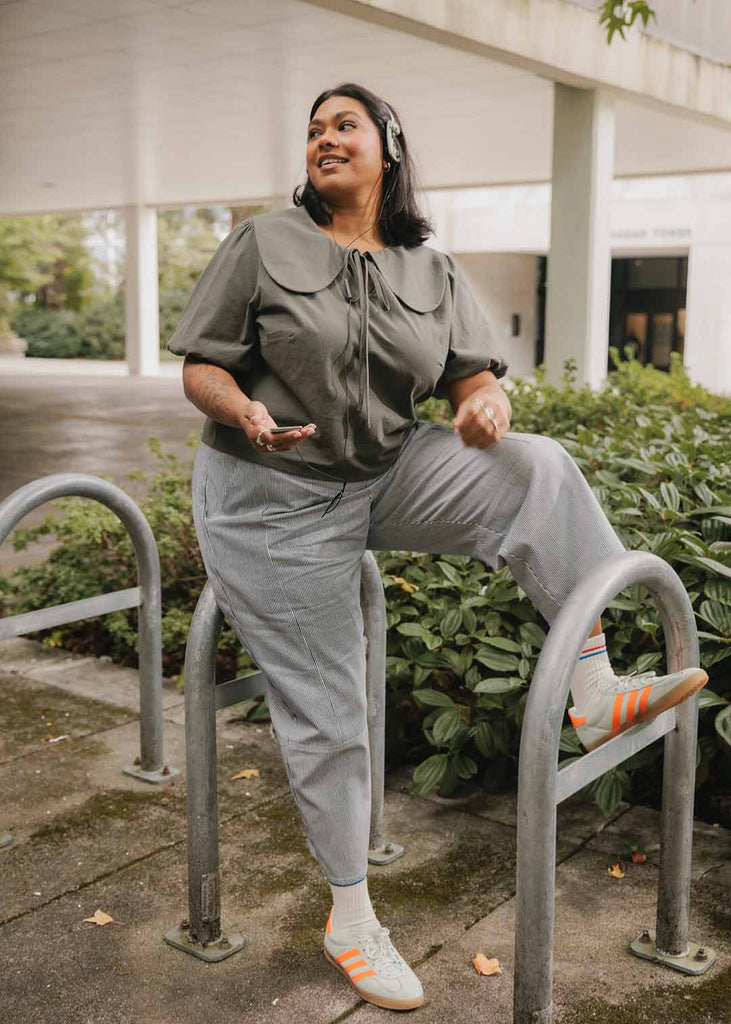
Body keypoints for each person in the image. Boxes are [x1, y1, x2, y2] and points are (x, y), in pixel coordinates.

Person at [167, 82, 708, 1013]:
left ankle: (591, 688)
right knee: (332, 705)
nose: (323, 140)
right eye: (311, 130)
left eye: (343, 125)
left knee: (534, 468)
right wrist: (245, 410)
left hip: (377, 473)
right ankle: (349, 915)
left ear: (389, 146)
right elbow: (200, 364)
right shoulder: (265, 242)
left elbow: (469, 379)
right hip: (269, 498)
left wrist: (482, 405)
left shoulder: (429, 264)